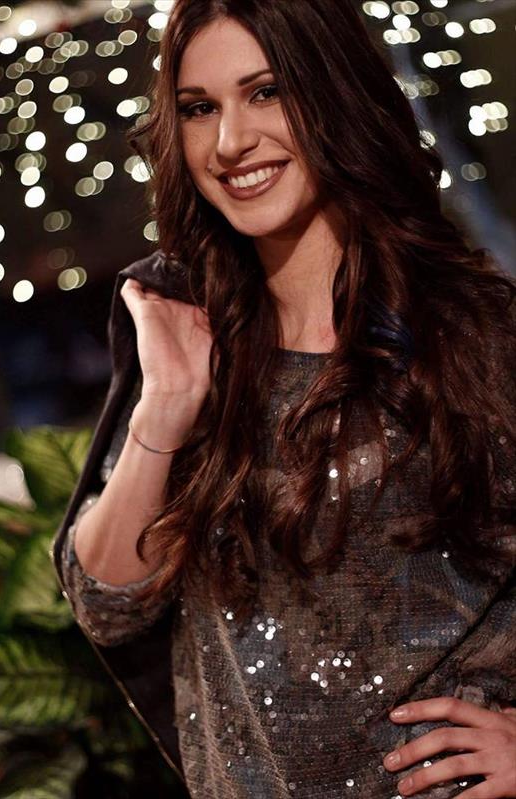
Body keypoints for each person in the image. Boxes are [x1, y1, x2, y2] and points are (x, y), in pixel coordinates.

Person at [51, 1, 516, 797]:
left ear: (334, 94)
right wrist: (167, 404)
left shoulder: (478, 337)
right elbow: (106, 605)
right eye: (199, 108)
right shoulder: (187, 329)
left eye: (265, 92)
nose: (229, 142)